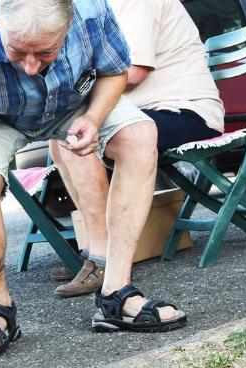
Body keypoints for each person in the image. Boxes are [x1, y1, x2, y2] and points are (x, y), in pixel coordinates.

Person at [0, 0, 186, 359]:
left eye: (45, 51)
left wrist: (93, 117)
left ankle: (116, 292)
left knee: (139, 135)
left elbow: (114, 71)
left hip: (72, 102)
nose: (30, 67)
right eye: (17, 51)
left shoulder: (91, 12)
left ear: (70, 23)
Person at [52, 0, 224, 300]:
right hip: (145, 112)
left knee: (78, 138)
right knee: (62, 138)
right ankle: (95, 251)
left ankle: (104, 258)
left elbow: (132, 72)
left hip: (184, 109)